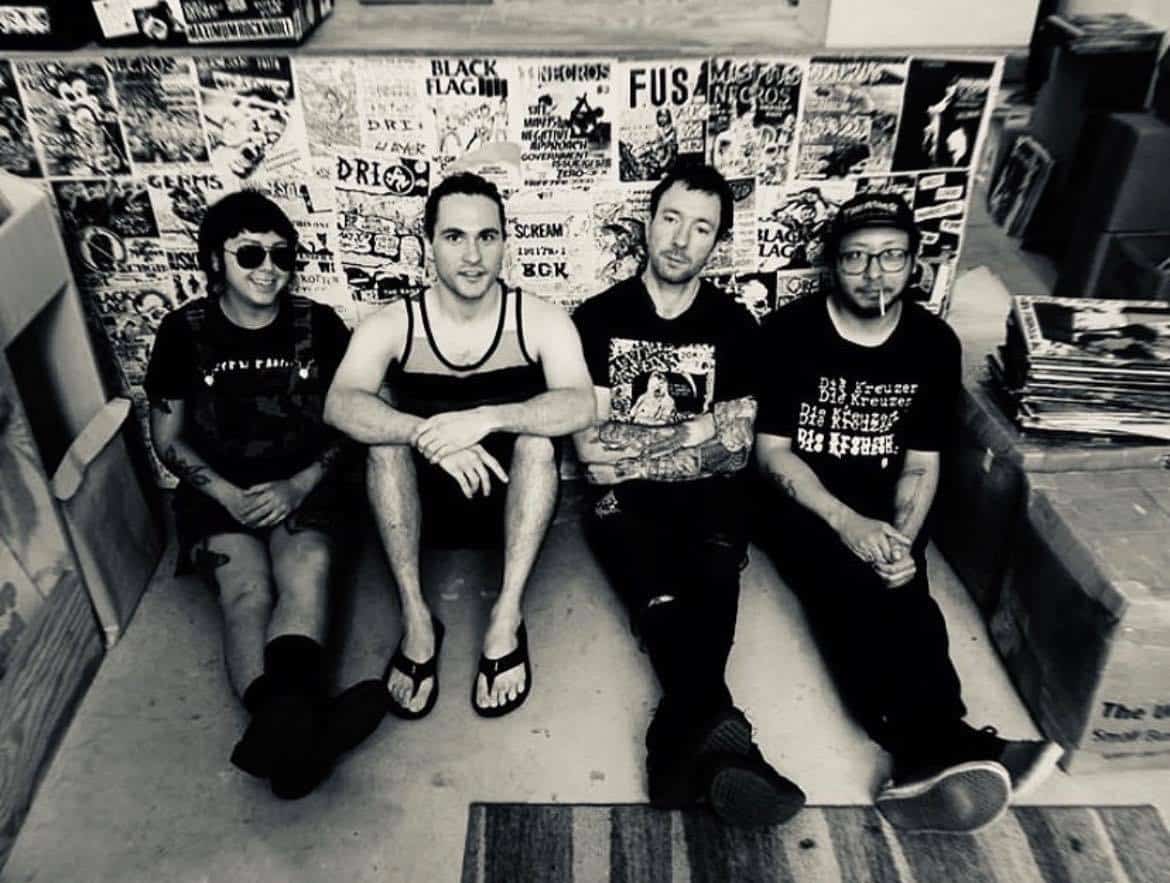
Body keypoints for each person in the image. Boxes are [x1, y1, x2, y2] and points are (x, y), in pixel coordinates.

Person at [753, 191, 1063, 834]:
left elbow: (923, 463)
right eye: (856, 258)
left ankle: (945, 737)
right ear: (833, 266)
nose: (874, 274)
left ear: (914, 263)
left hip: (884, 503)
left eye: (891, 256)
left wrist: (901, 540)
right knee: (844, 589)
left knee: (909, 596)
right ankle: (919, 748)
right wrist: (850, 526)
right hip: (804, 499)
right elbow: (774, 457)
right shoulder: (791, 333)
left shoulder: (932, 343)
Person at [572, 163, 806, 828]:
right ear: (648, 223)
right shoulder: (598, 318)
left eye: (701, 227)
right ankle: (726, 743)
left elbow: (736, 446)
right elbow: (592, 455)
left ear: (717, 243)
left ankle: (678, 752)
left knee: (709, 579)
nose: (681, 238)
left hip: (715, 501)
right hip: (623, 506)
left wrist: (646, 445)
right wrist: (694, 430)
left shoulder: (735, 326)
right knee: (664, 598)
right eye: (671, 218)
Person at [323, 172, 594, 721]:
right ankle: (418, 620)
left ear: (503, 243)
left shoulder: (538, 318)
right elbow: (340, 405)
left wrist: (486, 418)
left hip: (512, 512)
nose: (472, 255)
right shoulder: (396, 322)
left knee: (539, 442)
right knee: (382, 445)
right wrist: (429, 436)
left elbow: (580, 405)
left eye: (487, 237)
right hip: (418, 513)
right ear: (429, 246)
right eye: (454, 237)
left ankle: (505, 617)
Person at [144, 190, 387, 800]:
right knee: (245, 588)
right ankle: (302, 731)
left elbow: (351, 420)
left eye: (281, 253)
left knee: (307, 566)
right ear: (214, 260)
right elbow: (166, 437)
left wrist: (300, 482)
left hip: (306, 481)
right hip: (217, 491)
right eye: (249, 253)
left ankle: (284, 733)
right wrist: (225, 493)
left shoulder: (319, 326)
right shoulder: (183, 333)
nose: (268, 267)